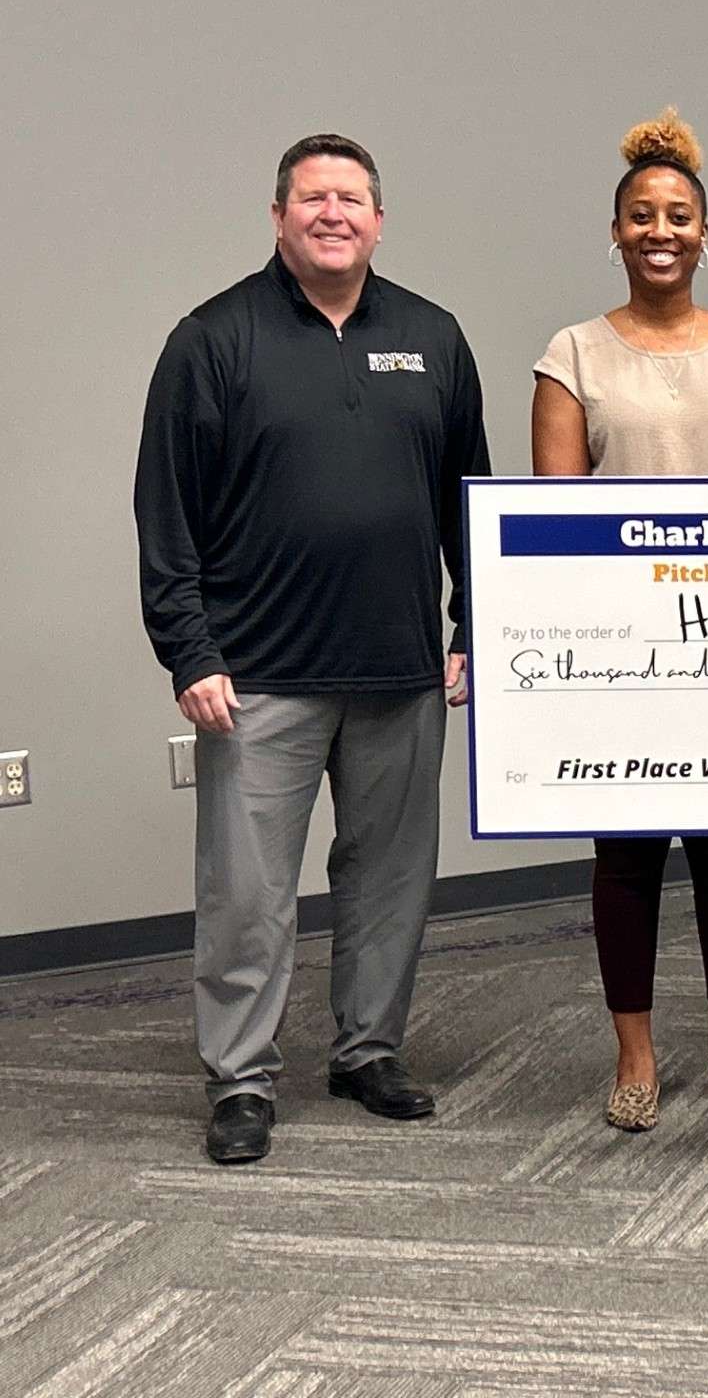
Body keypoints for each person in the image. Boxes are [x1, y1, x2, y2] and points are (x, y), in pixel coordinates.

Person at [134, 134, 492, 1165]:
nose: (332, 214)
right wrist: (188, 651)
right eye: (311, 198)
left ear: (379, 220)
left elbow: (466, 501)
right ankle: (242, 1080)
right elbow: (166, 513)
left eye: (352, 199)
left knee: (389, 881)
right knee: (247, 895)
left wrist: (473, 626)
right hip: (256, 679)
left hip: (402, 671)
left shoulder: (433, 336)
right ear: (279, 216)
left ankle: (369, 1051)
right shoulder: (213, 339)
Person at [531, 110, 708, 1132]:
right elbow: (556, 519)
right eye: (641, 215)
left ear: (703, 234)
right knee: (629, 855)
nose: (660, 230)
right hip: (624, 655)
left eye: (678, 216)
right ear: (616, 230)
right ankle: (636, 1057)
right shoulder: (573, 354)